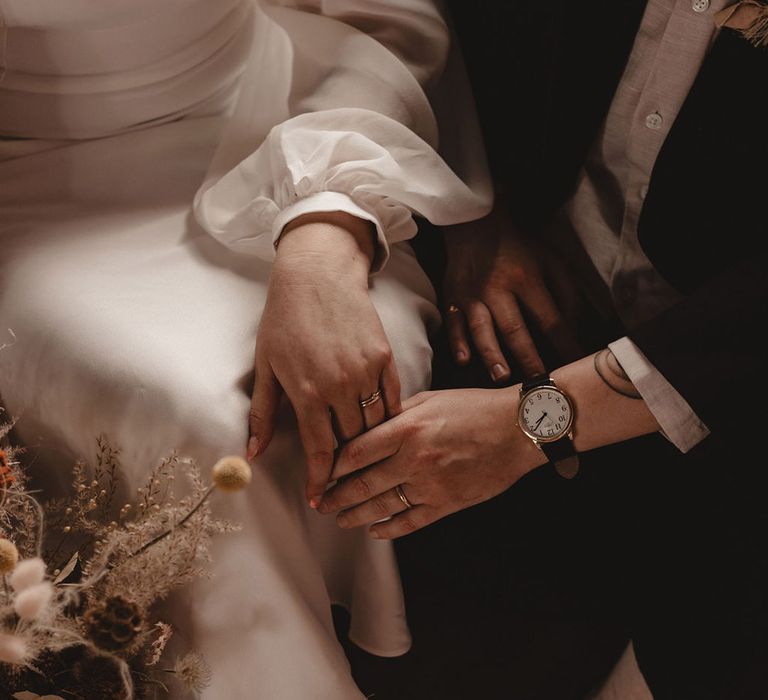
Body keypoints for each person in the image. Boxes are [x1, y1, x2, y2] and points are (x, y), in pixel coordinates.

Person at [0, 1, 490, 697]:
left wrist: (324, 224)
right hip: (31, 170)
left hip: (285, 125)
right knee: (209, 421)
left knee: (325, 389)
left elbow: (388, 16)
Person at [315, 1, 768, 698]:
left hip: (731, 399)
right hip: (524, 272)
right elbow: (452, 32)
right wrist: (477, 215)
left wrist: (525, 427)